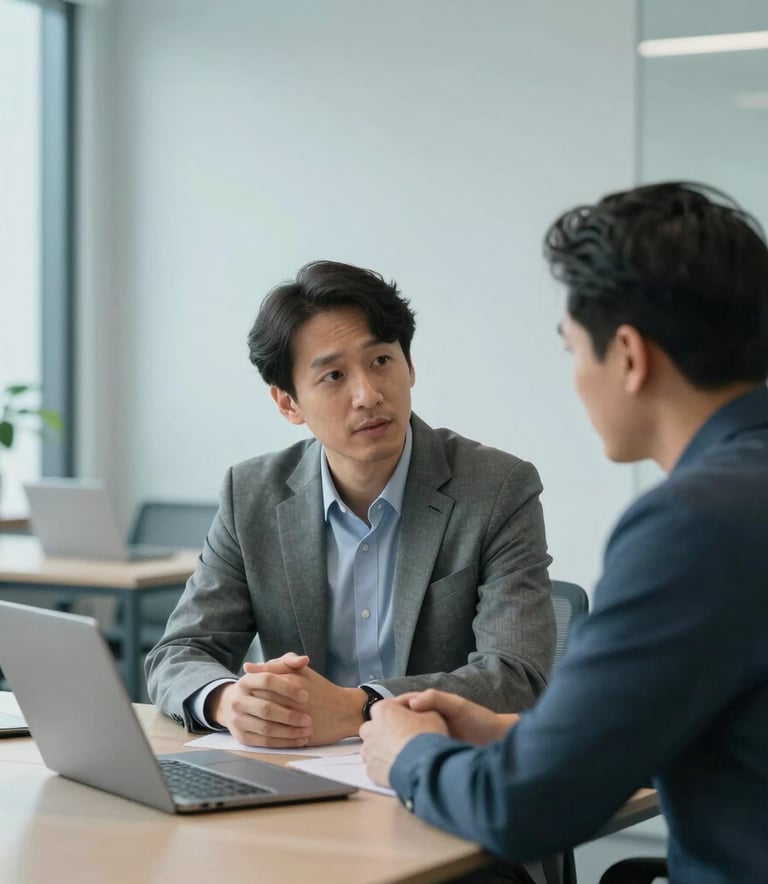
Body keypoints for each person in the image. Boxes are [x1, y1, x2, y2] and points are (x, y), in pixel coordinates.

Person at [359, 182, 768, 883]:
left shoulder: (693, 525)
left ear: (631, 357)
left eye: (575, 349)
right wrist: (509, 732)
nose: (577, 376)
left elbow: (525, 811)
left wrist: (410, 756)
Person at [145, 260, 555, 749]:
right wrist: (229, 701)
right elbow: (181, 651)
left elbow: (517, 677)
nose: (368, 395)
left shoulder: (496, 488)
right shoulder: (251, 494)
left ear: (410, 364)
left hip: (437, 771)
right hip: (298, 776)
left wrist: (359, 707)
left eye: (381, 361)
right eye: (334, 376)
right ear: (288, 404)